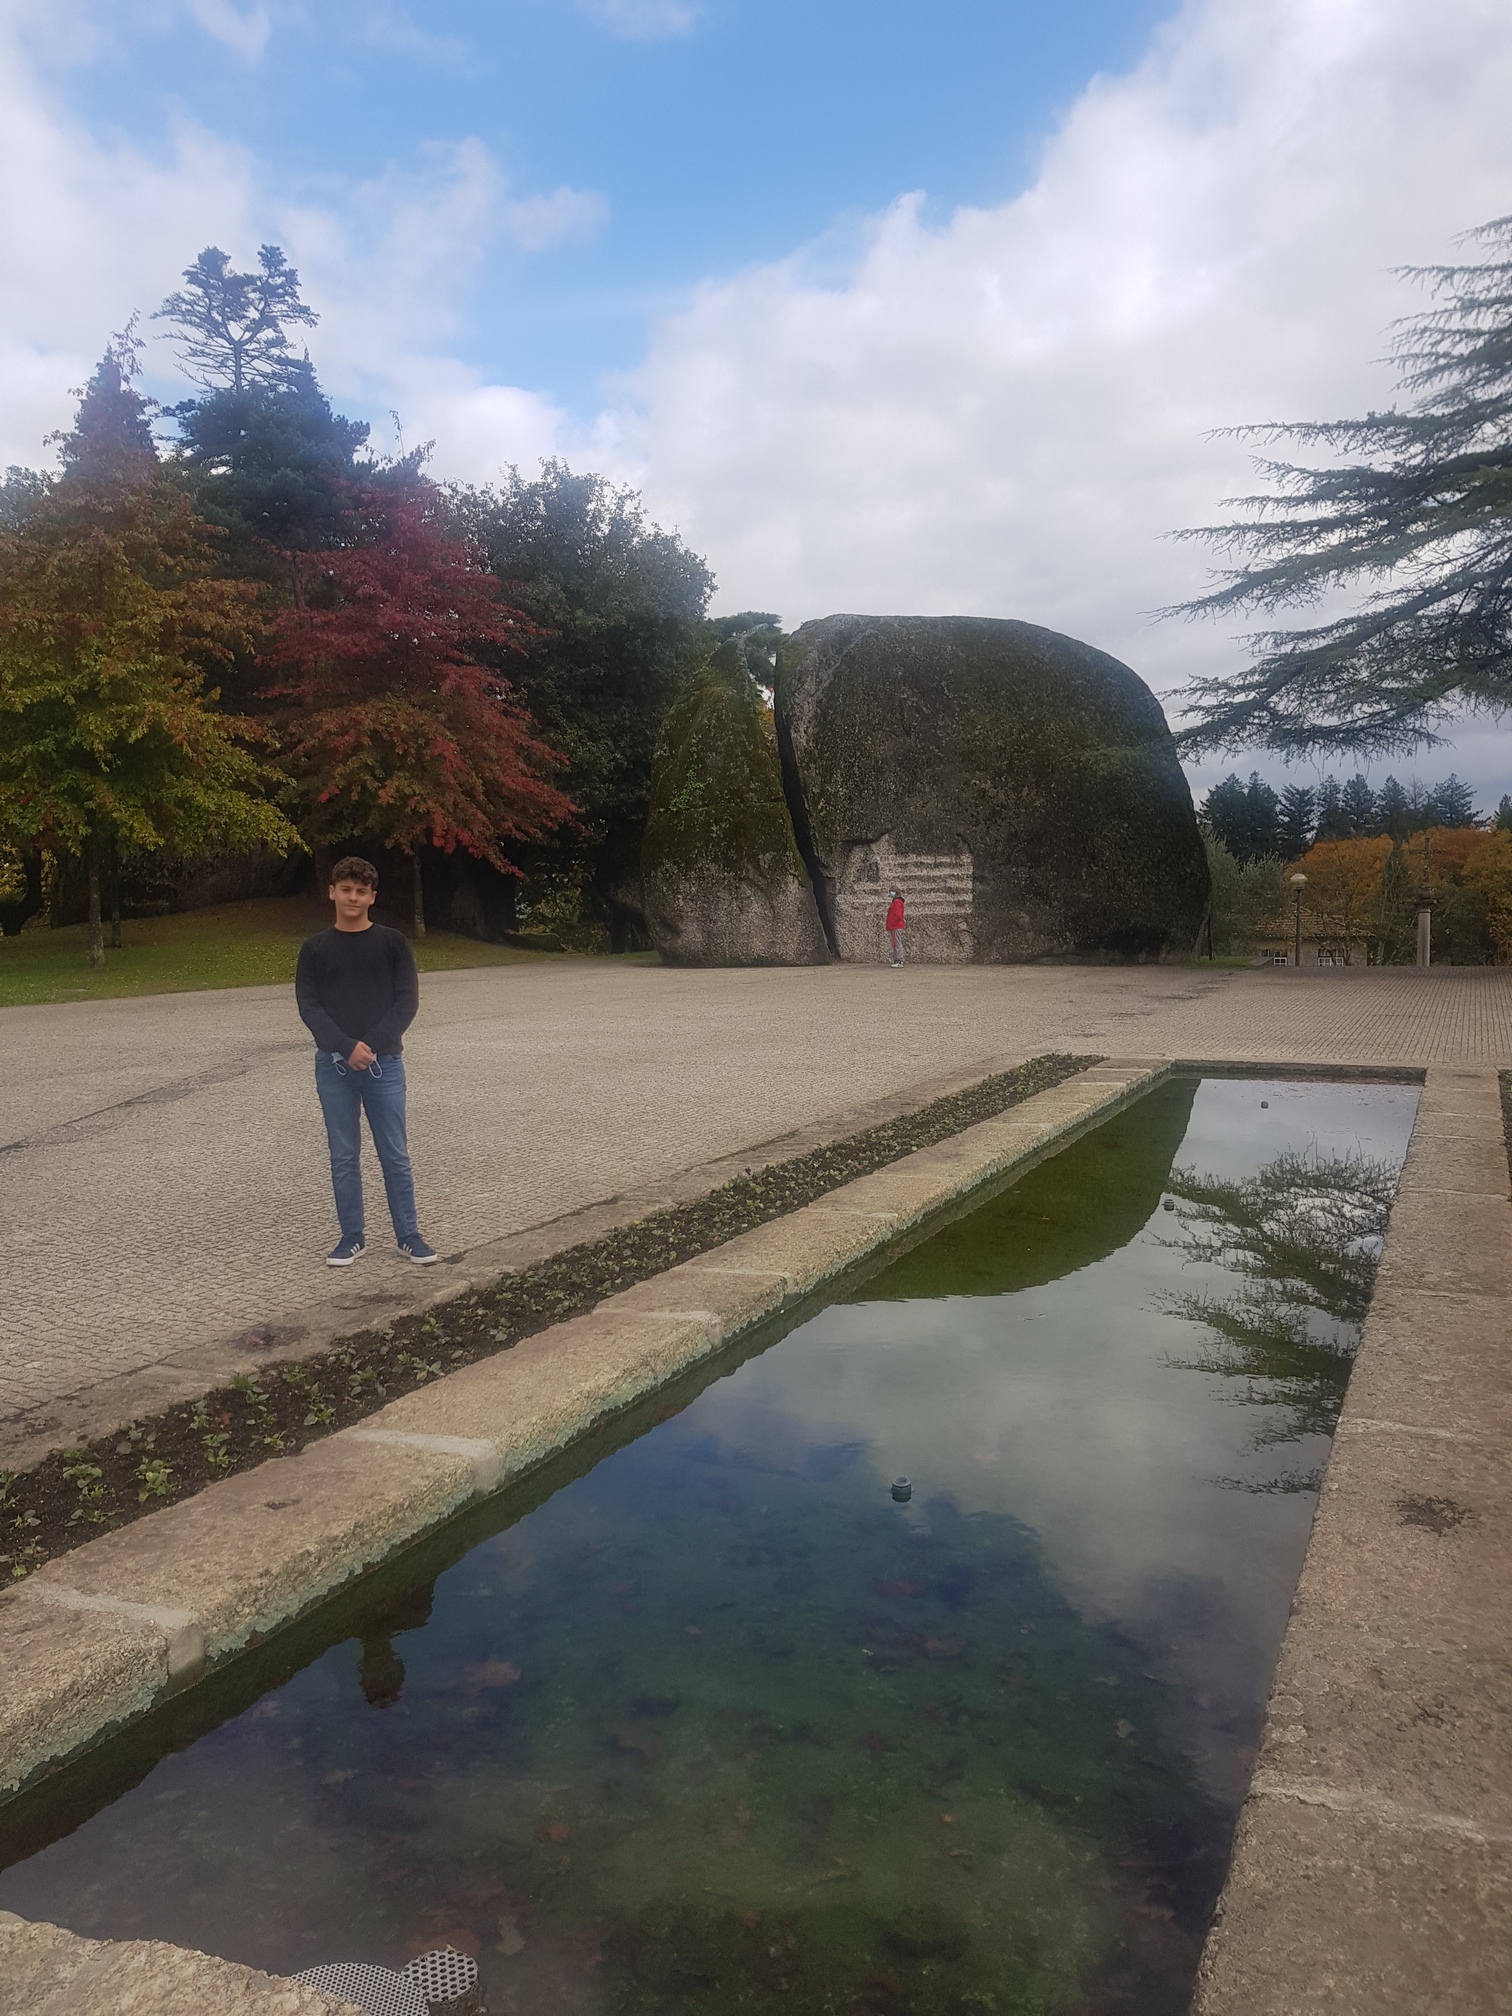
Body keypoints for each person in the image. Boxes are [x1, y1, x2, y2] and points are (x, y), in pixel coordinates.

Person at [295, 855, 438, 1267]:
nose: (353, 897)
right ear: (332, 892)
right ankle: (351, 1236)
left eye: (361, 891)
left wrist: (369, 1045)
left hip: (384, 1064)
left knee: (394, 1153)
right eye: (346, 890)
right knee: (343, 1155)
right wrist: (344, 1046)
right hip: (334, 1067)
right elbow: (310, 1007)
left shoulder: (393, 944)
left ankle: (408, 1235)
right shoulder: (315, 949)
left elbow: (406, 1002)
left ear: (373, 897)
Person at [885, 887, 905, 965]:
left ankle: (899, 960)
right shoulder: (896, 902)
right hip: (895, 925)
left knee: (896, 943)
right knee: (895, 943)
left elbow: (897, 915)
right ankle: (897, 959)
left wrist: (892, 923)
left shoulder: (897, 902)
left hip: (895, 926)